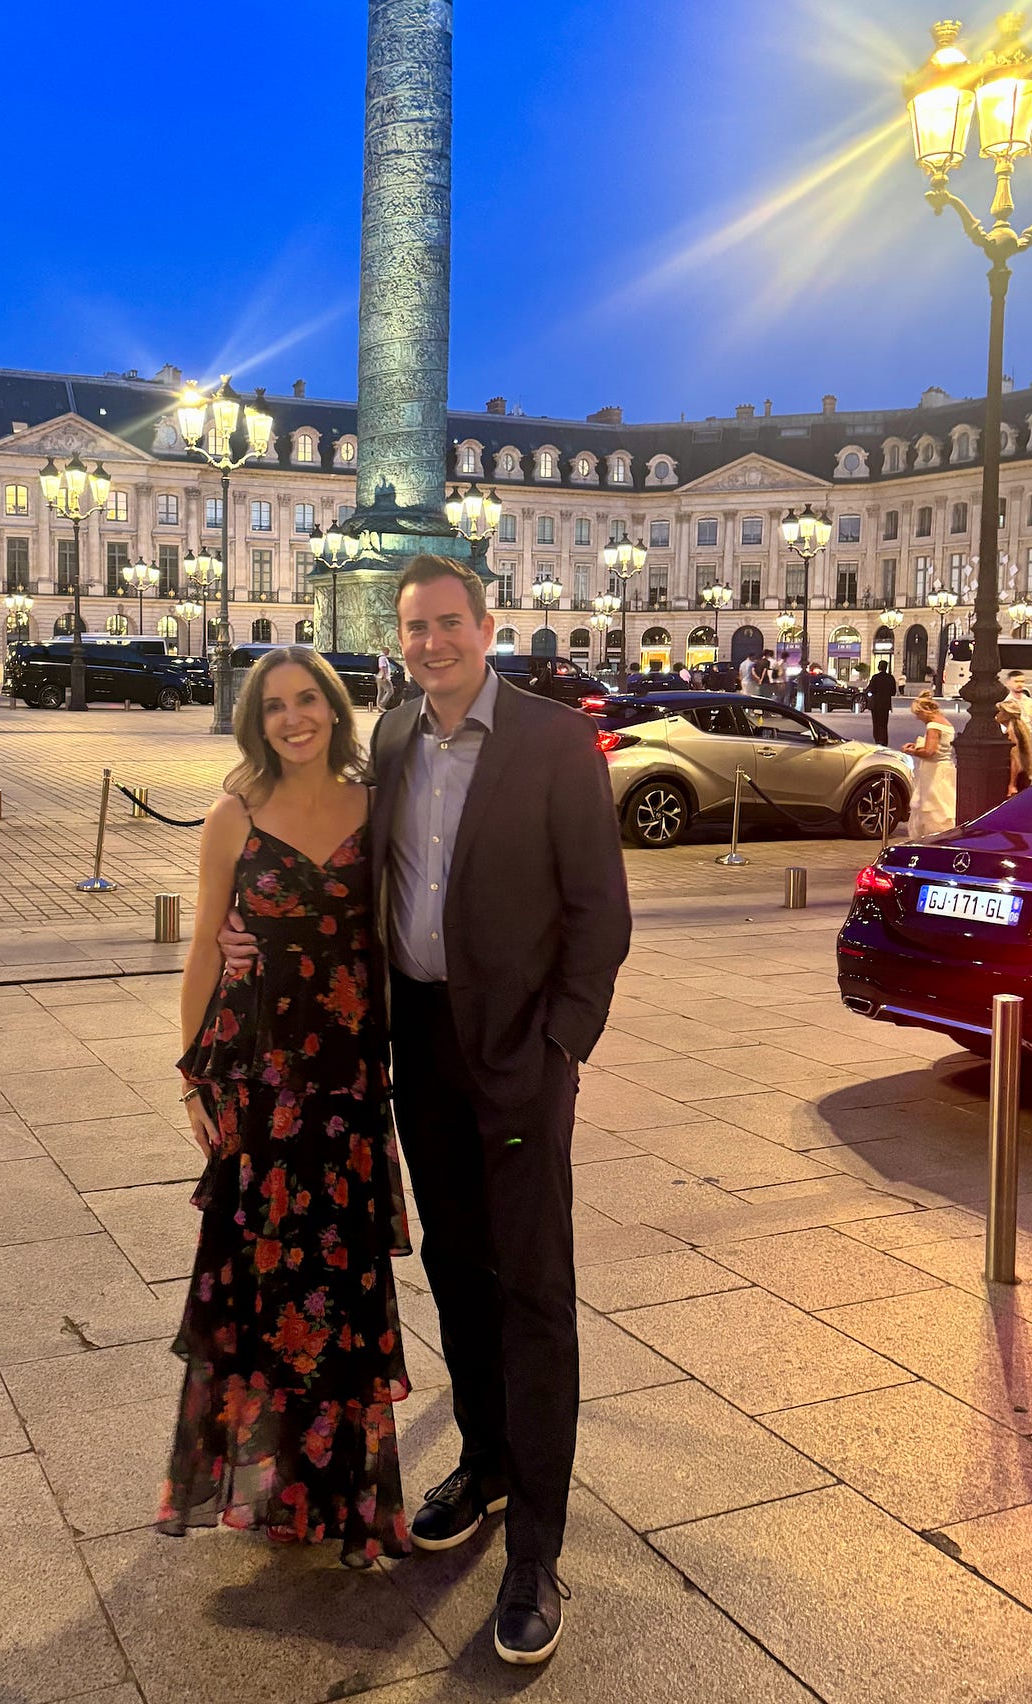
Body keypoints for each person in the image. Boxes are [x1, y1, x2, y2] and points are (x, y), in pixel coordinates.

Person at [222, 555, 630, 1665]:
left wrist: (561, 1046)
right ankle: (487, 1461)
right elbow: (344, 876)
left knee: (534, 1289)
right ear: (398, 640)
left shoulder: (554, 741)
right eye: (415, 628)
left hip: (520, 1056)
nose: (432, 643)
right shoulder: (395, 737)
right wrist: (249, 936)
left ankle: (536, 1550)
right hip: (421, 1049)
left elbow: (600, 912)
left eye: (450, 623)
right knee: (455, 1265)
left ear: (486, 626)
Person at [161, 646, 411, 1569]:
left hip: (346, 1074)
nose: (294, 718)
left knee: (340, 1276)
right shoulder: (233, 815)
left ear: (336, 710)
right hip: (260, 1074)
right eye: (274, 706)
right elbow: (202, 947)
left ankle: (333, 1479)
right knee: (264, 1275)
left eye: (309, 700)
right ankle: (272, 1476)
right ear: (255, 721)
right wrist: (193, 1076)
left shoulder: (376, 805)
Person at [902, 689, 957, 838]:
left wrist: (911, 751)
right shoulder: (946, 723)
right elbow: (940, 748)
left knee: (933, 807)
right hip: (946, 768)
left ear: (925, 711)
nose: (917, 718)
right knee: (946, 803)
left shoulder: (933, 726)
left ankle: (932, 838)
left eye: (918, 714)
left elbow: (929, 752)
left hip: (933, 772)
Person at [995, 698, 1032, 794]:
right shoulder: (1020, 728)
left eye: (999, 712)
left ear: (1006, 714)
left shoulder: (1010, 733)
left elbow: (1015, 761)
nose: (996, 715)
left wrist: (1011, 784)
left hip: (1014, 779)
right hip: (1023, 776)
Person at [865, 660, 897, 746]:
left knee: (876, 724)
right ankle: (884, 741)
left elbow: (870, 689)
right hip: (885, 705)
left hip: (876, 704)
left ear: (879, 667)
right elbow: (893, 692)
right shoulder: (890, 678)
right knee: (884, 724)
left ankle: (878, 740)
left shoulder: (875, 677)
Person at [375, 647, 394, 712]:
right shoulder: (382, 658)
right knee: (390, 691)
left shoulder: (381, 657)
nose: (389, 652)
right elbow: (382, 667)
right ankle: (381, 705)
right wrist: (384, 676)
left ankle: (379, 707)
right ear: (384, 650)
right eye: (388, 651)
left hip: (379, 677)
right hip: (382, 677)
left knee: (381, 692)